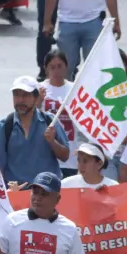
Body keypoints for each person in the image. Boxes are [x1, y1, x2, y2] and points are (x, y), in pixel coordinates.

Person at [0, 76, 71, 186]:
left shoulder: (50, 121)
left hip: (47, 192)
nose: (20, 100)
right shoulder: (2, 127)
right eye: (16, 95)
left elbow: (65, 156)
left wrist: (52, 142)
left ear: (36, 97)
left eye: (25, 95)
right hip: (16, 194)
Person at [37, 49, 78, 178]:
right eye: (52, 67)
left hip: (70, 156)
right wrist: (38, 101)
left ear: (66, 67)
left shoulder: (75, 89)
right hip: (46, 154)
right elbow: (31, 119)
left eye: (60, 66)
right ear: (46, 69)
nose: (56, 71)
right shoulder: (39, 89)